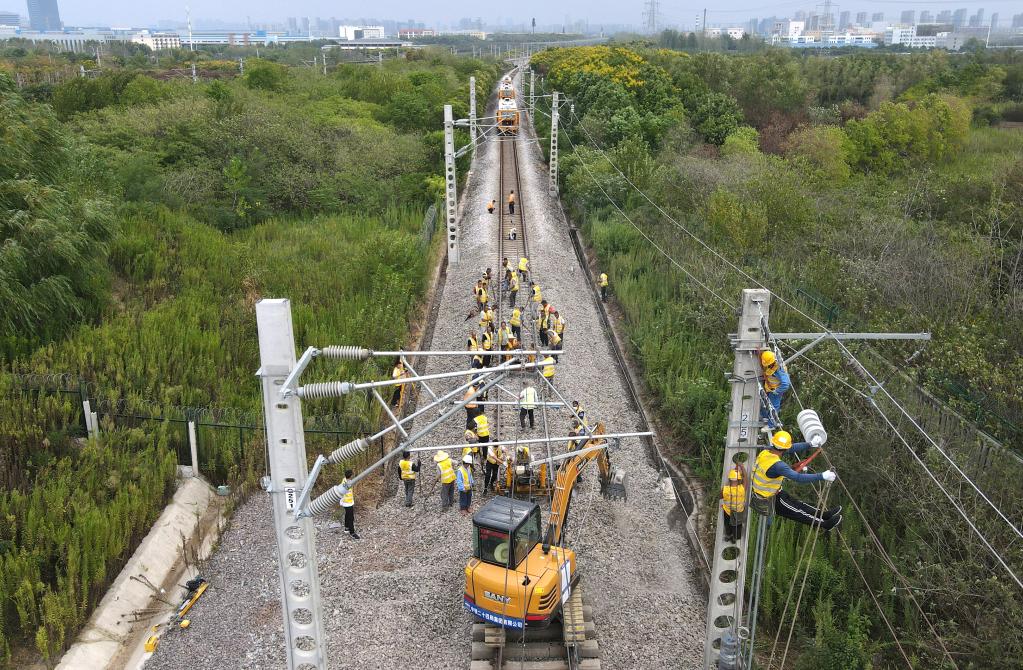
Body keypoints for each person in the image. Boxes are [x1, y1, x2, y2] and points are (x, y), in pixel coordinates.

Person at [751, 431, 842, 529]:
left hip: (773, 493)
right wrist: (822, 476)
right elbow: (798, 478)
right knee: (798, 513)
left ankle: (824, 515)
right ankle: (825, 525)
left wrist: (810, 444)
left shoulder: (766, 452)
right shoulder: (778, 465)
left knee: (800, 505)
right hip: (770, 500)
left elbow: (792, 448)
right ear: (785, 448)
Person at [760, 351, 790, 430]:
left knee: (773, 406)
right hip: (770, 388)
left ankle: (771, 425)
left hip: (775, 391)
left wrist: (777, 391)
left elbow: (786, 384)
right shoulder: (772, 362)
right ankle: (766, 417)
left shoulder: (779, 370)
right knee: (766, 403)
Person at [721, 466, 746, 542]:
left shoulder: (725, 489)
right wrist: (742, 466)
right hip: (738, 512)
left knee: (727, 523)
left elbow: (719, 496)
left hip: (728, 511)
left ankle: (728, 535)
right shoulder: (742, 488)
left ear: (729, 479)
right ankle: (735, 538)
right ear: (739, 480)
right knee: (737, 525)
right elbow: (745, 478)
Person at [340, 469, 359, 539]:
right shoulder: (346, 483)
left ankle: (346, 528)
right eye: (352, 475)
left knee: (347, 515)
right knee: (351, 517)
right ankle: (352, 532)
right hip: (347, 502)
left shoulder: (345, 480)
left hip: (347, 502)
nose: (353, 476)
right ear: (350, 476)